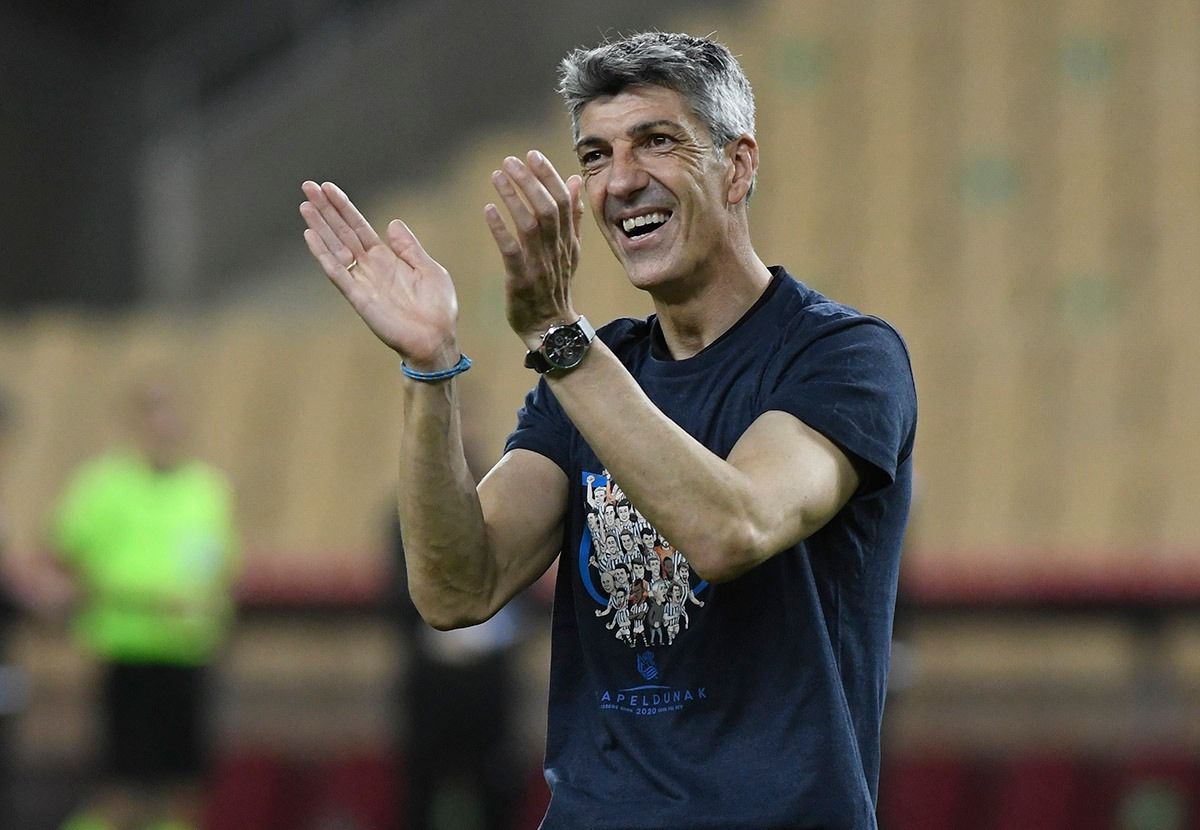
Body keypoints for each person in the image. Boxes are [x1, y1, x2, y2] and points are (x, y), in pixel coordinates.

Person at [299, 31, 917, 830]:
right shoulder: (592, 374)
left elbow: (733, 528)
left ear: (737, 165)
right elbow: (458, 589)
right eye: (594, 156)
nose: (622, 181)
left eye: (656, 142)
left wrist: (559, 336)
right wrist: (430, 367)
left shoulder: (842, 356)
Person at [49, 376, 239, 830]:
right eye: (153, 414)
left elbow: (222, 567)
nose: (164, 425)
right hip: (127, 652)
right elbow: (64, 556)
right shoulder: (103, 487)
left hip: (187, 653)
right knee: (121, 785)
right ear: (134, 424)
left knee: (183, 787)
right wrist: (128, 597)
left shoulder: (206, 490)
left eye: (170, 413)